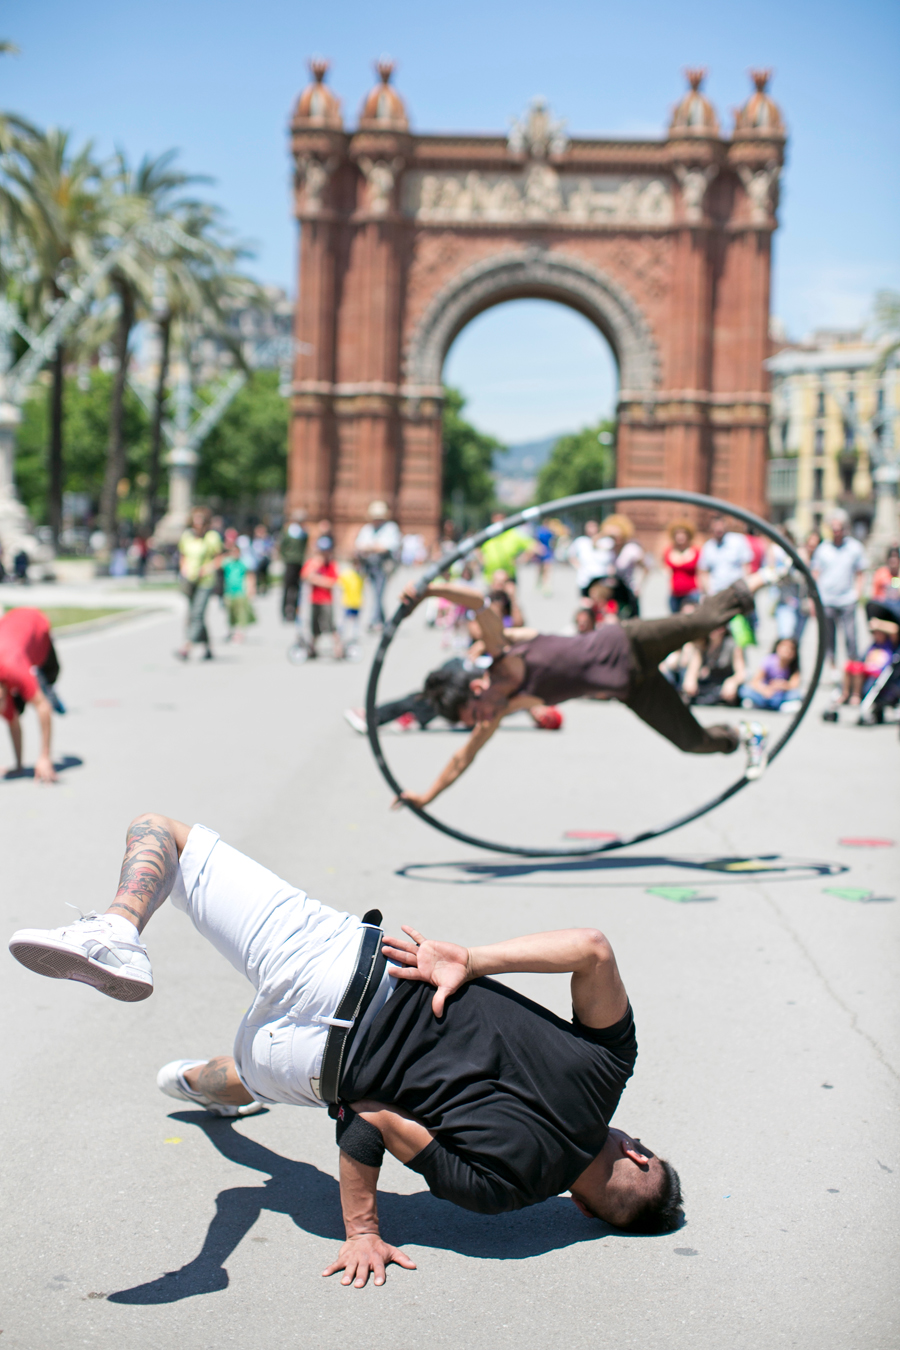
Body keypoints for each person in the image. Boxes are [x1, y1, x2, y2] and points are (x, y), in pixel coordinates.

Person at [8, 812, 683, 1289]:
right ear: (587, 1208)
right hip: (306, 1061)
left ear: (635, 1149)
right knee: (256, 1074)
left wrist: (472, 959)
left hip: (348, 965)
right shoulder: (505, 1193)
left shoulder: (606, 1069)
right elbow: (371, 1123)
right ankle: (192, 1082)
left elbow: (591, 948)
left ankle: (118, 929)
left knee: (162, 831)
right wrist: (361, 1230)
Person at [391, 572, 775, 813]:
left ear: (477, 686)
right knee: (691, 741)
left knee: (704, 621)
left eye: (475, 712)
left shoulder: (502, 650)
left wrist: (428, 591)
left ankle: (766, 576)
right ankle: (744, 734)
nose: (482, 720)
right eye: (473, 722)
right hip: (630, 687)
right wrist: (426, 796)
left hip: (628, 642)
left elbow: (476, 602)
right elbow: (462, 759)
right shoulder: (502, 709)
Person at [0, 606, 62, 782]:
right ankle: (32, 682)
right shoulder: (3, 693)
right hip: (16, 648)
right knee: (17, 709)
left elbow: (43, 707)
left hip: (35, 622)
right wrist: (18, 766)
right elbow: (12, 722)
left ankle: (46, 685)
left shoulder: (13, 668)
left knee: (52, 675)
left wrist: (44, 757)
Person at [812, 510, 866, 676]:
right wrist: (814, 598)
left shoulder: (854, 547)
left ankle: (853, 670)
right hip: (827, 599)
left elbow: (860, 572)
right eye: (834, 528)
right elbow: (815, 573)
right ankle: (833, 667)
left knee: (851, 637)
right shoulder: (823, 549)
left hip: (847, 599)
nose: (837, 531)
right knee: (829, 638)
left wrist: (857, 593)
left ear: (845, 528)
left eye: (840, 528)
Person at [176, 507, 223, 662]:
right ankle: (208, 647)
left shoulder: (212, 537)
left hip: (206, 581)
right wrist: (184, 568)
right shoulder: (187, 537)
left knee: (197, 613)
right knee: (195, 614)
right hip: (190, 580)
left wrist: (207, 568)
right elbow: (183, 555)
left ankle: (187, 647)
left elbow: (218, 558)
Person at [355, 502, 401, 629]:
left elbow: (388, 547)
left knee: (379, 593)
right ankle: (382, 620)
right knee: (375, 593)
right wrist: (373, 548)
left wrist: (371, 548)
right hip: (369, 566)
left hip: (383, 567)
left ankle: (374, 620)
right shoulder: (367, 529)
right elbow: (359, 545)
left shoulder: (390, 528)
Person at [680, 624, 746, 707]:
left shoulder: (733, 645)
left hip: (721, 684)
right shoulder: (701, 643)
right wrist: (690, 678)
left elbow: (741, 673)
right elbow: (694, 666)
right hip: (705, 684)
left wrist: (732, 681)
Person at [301, 536, 344, 660]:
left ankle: (337, 648)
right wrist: (315, 566)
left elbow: (332, 582)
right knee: (314, 626)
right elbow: (305, 575)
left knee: (330, 625)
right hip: (314, 600)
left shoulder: (331, 565)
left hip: (326, 600)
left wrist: (316, 579)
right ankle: (312, 648)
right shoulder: (313, 563)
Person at [599, 514, 645, 619]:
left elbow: (645, 567)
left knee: (632, 619)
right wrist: (605, 532)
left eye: (619, 535)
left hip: (629, 590)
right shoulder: (608, 546)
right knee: (610, 618)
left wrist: (640, 584)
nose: (617, 539)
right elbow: (594, 543)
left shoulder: (631, 549)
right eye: (614, 536)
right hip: (613, 590)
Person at [739, 639, 801, 712]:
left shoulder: (793, 666)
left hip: (780, 695)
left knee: (796, 694)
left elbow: (794, 685)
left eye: (791, 648)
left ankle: (780, 706)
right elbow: (755, 681)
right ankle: (759, 704)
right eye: (784, 647)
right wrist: (765, 689)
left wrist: (782, 685)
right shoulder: (769, 660)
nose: (787, 650)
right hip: (765, 694)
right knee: (745, 690)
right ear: (778, 647)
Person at [697, 515, 753, 595]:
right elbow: (703, 572)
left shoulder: (738, 541)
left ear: (725, 526)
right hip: (717, 593)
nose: (718, 528)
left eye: (720, 525)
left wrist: (745, 587)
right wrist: (708, 592)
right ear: (711, 528)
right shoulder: (708, 547)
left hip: (737, 591)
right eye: (716, 526)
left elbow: (746, 566)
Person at [479, 512, 535, 583]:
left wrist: (521, 560)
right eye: (496, 518)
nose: (498, 521)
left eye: (501, 518)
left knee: (510, 591)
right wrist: (482, 560)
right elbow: (477, 549)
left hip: (509, 576)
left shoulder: (513, 533)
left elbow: (533, 546)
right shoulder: (487, 534)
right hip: (491, 578)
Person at [221, 534, 257, 643]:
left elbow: (250, 576)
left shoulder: (243, 563)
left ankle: (240, 632)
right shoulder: (227, 562)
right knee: (231, 613)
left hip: (240, 592)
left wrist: (251, 589)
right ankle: (231, 631)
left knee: (241, 613)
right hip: (229, 592)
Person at [662, 521, 701, 612]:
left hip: (691, 593)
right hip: (675, 594)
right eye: (678, 533)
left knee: (688, 619)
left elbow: (701, 573)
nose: (680, 536)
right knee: (675, 622)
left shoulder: (695, 551)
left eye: (683, 533)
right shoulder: (669, 551)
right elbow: (667, 571)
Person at [279, 509, 309, 623]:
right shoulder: (288, 531)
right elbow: (282, 546)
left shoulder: (303, 532)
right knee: (287, 587)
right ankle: (284, 611)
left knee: (297, 589)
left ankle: (295, 612)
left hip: (299, 562)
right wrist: (285, 557)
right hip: (290, 562)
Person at [339, 560, 365, 657]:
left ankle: (354, 639)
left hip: (357, 603)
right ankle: (343, 640)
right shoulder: (346, 574)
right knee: (344, 623)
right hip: (347, 603)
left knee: (355, 623)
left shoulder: (361, 575)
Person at [250, 524, 273, 594]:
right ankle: (257, 587)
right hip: (257, 560)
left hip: (265, 559)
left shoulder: (267, 539)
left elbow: (269, 548)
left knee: (264, 574)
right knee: (257, 575)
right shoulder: (255, 539)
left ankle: (264, 587)